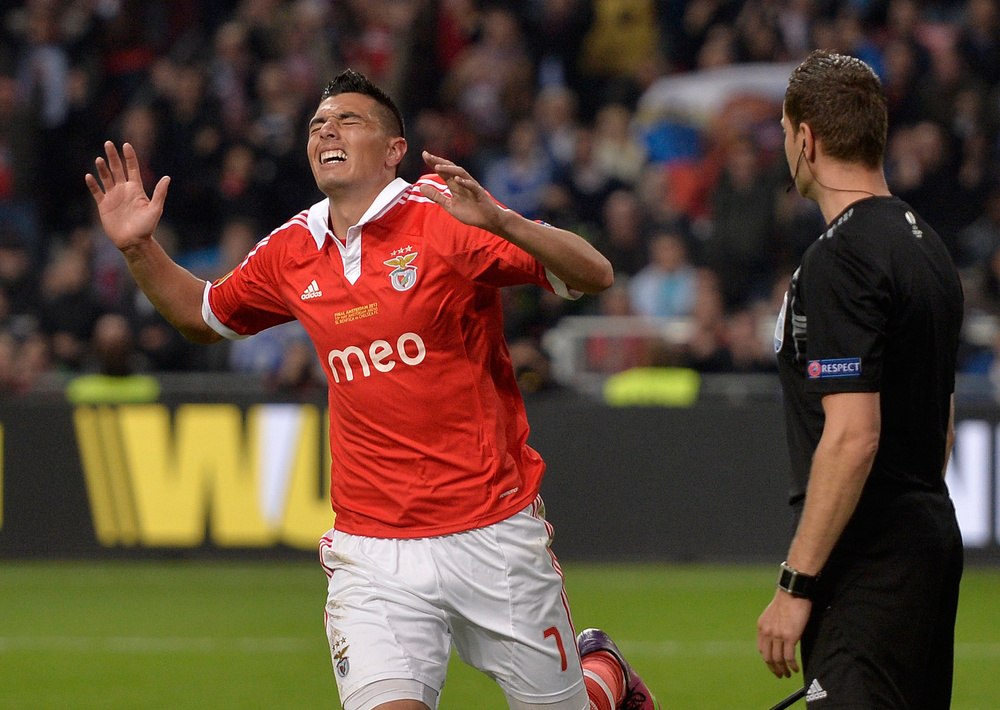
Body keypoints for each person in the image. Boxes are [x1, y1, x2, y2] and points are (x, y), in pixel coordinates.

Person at [86, 69, 657, 710]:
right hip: (372, 549)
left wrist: (502, 221)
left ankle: (603, 675)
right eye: (317, 125)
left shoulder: (446, 214)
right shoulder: (293, 247)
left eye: (347, 120)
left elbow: (595, 273)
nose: (326, 131)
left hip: (491, 532)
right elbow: (203, 316)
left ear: (393, 150)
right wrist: (139, 248)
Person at [757, 50, 964, 709]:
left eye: (785, 133)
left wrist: (796, 583)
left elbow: (853, 436)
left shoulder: (840, 256)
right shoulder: (927, 246)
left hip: (869, 558)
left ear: (806, 139)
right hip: (928, 540)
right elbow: (942, 424)